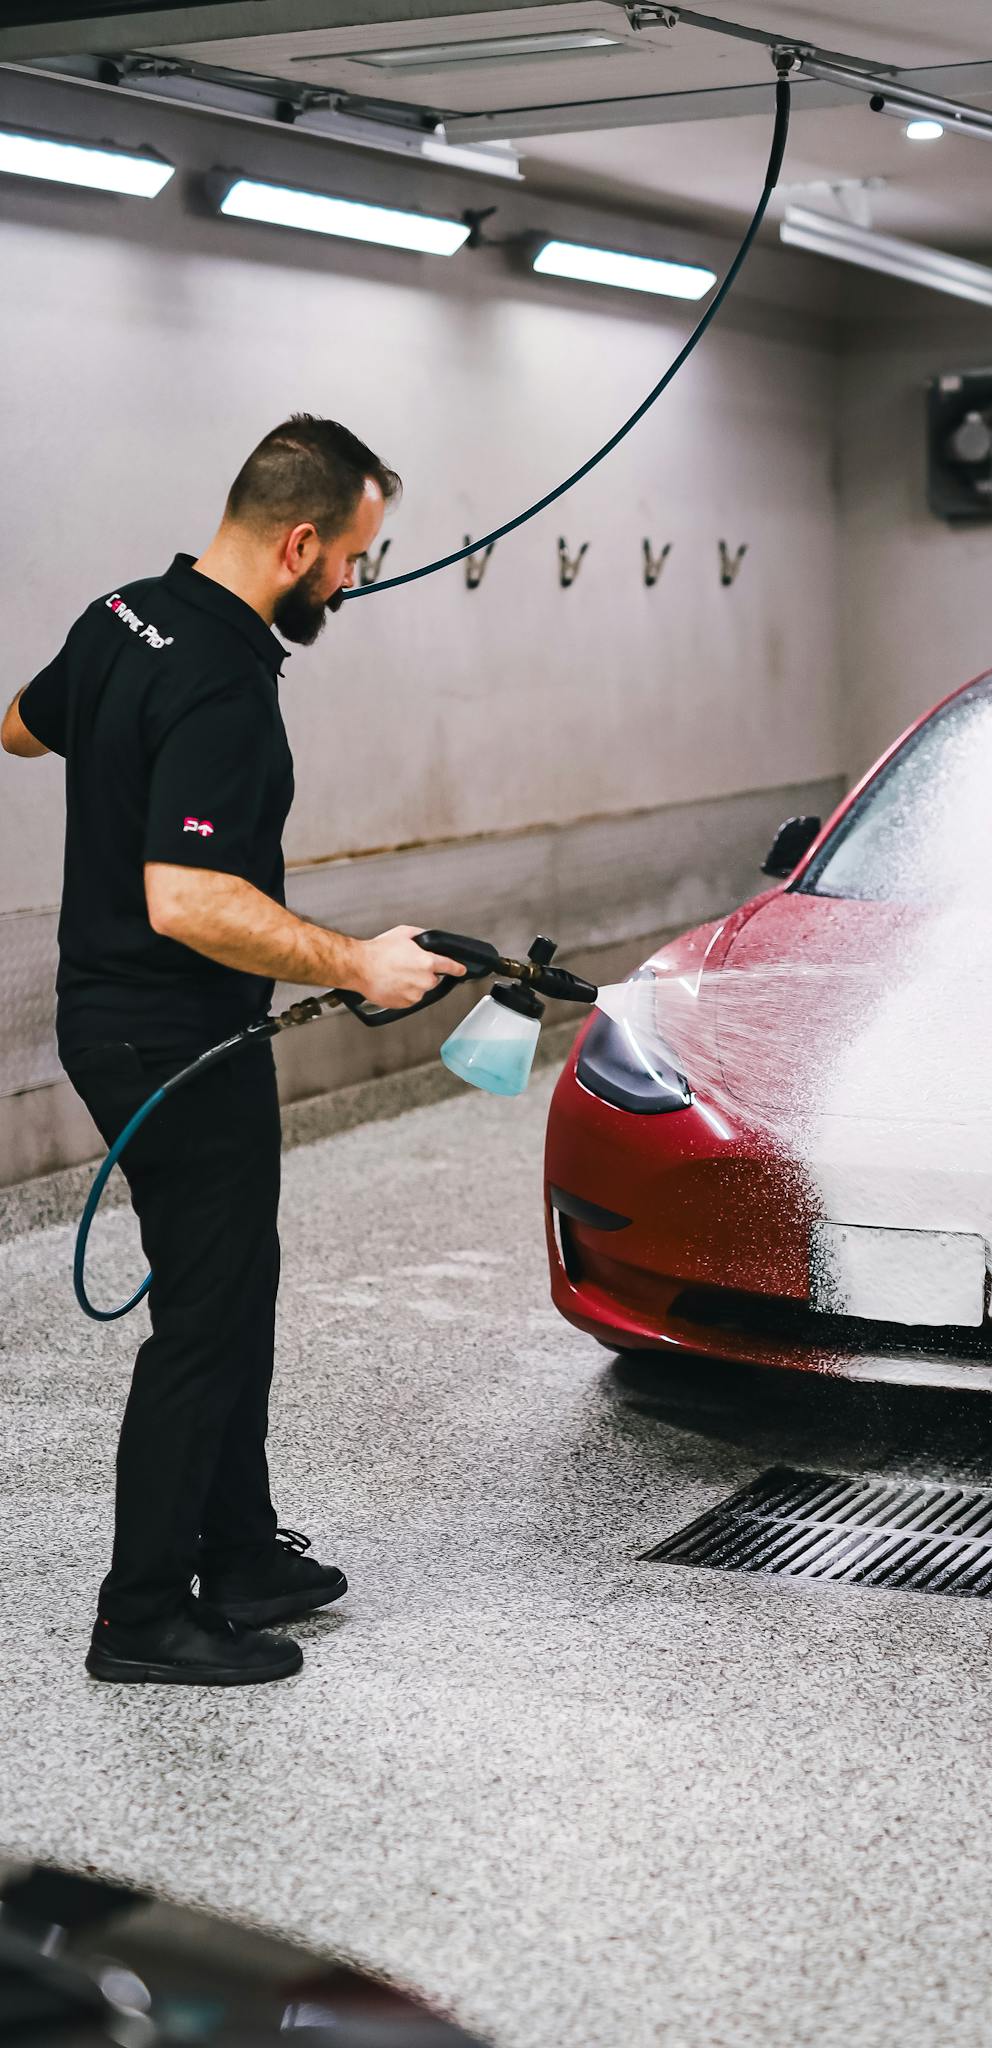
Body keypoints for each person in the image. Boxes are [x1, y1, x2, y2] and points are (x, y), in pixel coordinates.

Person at [2, 415, 465, 1687]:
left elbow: (20, 728)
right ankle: (141, 1613)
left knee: (233, 1284)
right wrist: (359, 960)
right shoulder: (224, 680)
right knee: (204, 1320)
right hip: (172, 1031)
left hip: (117, 1011)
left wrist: (114, 731)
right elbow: (187, 896)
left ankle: (242, 1550)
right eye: (352, 562)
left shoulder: (123, 613)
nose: (352, 585)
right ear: (301, 539)